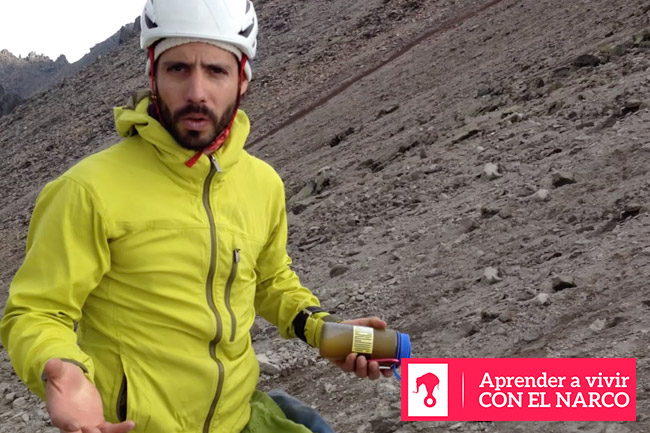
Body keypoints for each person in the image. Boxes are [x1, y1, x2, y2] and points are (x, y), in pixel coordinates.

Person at [0, 1, 392, 432]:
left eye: (216, 71)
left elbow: (270, 280)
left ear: (242, 80)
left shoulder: (262, 184)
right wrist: (63, 367)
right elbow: (37, 311)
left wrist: (324, 331)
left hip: (238, 419)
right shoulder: (86, 190)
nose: (196, 93)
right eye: (178, 69)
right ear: (153, 75)